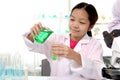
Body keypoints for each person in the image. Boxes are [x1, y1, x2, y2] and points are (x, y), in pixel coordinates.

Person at [23, 2, 105, 80]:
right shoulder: (56, 39)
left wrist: (75, 56)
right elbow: (34, 46)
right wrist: (33, 34)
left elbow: (98, 72)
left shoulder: (95, 45)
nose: (75, 25)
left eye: (81, 22)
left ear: (90, 26)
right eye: (72, 19)